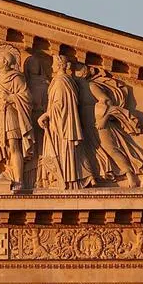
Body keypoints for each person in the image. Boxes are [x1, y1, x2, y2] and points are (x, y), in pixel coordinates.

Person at [38, 55, 96, 189]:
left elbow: (60, 105)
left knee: (65, 151)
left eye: (53, 64)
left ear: (59, 66)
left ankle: (69, 180)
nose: (51, 67)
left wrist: (45, 115)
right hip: (62, 124)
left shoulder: (60, 82)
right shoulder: (65, 81)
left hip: (61, 127)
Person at [0, 47, 35, 188]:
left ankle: (19, 179)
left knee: (14, 146)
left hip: (10, 116)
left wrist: (10, 97)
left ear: (5, 62)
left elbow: (27, 96)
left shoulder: (16, 78)